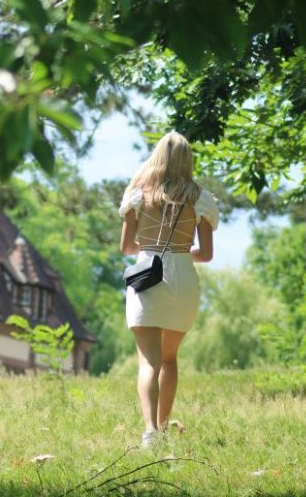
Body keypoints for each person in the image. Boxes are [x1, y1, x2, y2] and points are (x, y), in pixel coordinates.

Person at [118, 131, 219, 448]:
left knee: (148, 361)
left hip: (147, 276)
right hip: (182, 280)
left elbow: (126, 247)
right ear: (188, 160)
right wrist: (179, 253)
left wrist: (153, 251)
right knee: (169, 358)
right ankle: (162, 429)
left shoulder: (138, 194)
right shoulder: (200, 198)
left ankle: (150, 432)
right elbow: (206, 254)